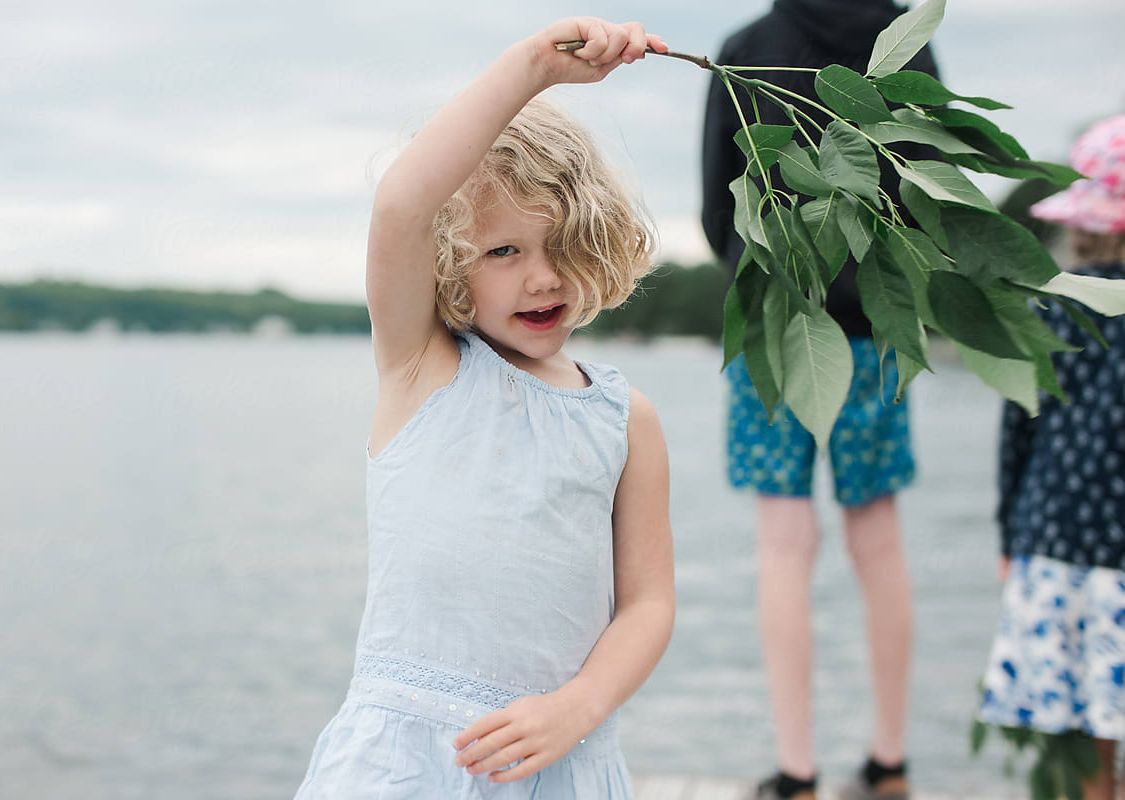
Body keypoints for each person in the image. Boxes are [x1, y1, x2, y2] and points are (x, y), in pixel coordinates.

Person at [292, 18, 675, 799]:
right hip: (412, 759)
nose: (542, 278)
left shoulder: (625, 418)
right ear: (448, 260)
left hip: (561, 756)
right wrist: (533, 65)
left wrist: (580, 706)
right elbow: (402, 203)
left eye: (563, 243)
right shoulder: (421, 368)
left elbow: (648, 602)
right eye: (503, 251)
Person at [700, 1, 941, 798]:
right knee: (879, 539)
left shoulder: (744, 50)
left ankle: (797, 772)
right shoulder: (904, 42)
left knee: (782, 542)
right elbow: (926, 184)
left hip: (775, 325)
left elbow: (716, 206)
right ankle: (892, 760)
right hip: (873, 327)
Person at [978, 114, 1125, 800]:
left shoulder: (1051, 306)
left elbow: (1019, 428)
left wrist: (1010, 531)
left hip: (1055, 533)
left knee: (1073, 727)